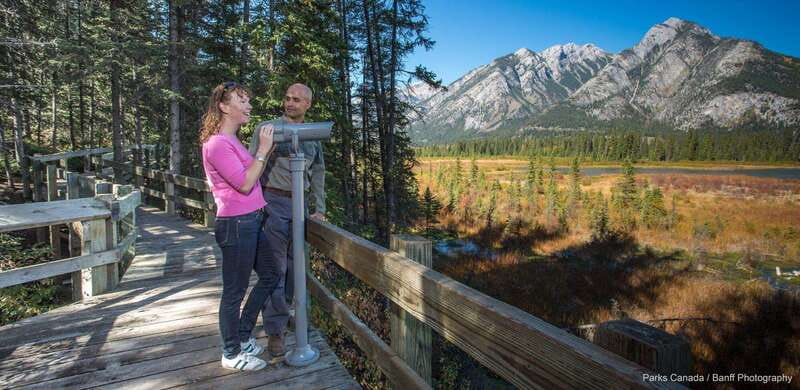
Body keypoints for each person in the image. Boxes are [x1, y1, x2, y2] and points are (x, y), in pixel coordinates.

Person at [200, 81, 278, 371]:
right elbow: (245, 184)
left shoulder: (232, 141)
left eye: (248, 101)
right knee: (234, 291)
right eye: (242, 101)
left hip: (253, 220)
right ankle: (230, 353)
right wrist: (263, 151)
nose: (249, 106)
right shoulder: (216, 144)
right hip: (236, 223)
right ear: (223, 106)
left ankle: (243, 336)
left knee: (270, 274)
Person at [249, 83, 325, 357]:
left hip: (301, 205)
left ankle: (287, 312)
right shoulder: (268, 129)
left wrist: (320, 207)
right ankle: (275, 331)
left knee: (296, 267)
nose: (289, 103)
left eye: (296, 100)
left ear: (307, 105)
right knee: (276, 268)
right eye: (287, 98)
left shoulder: (312, 135)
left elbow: (318, 171)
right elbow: (251, 165)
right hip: (274, 201)